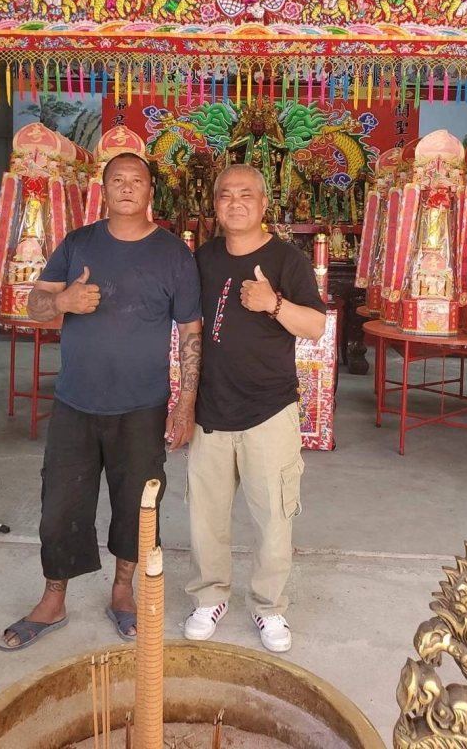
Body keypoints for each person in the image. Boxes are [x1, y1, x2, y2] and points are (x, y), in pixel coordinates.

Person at [0, 152, 202, 650]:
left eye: (137, 180)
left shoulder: (174, 254)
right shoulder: (77, 243)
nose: (127, 188)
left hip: (143, 405)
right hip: (76, 402)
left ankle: (122, 591)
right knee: (59, 504)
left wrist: (185, 403)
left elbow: (190, 331)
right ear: (104, 190)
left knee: (138, 505)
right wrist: (63, 301)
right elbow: (35, 302)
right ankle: (53, 598)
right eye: (117, 180)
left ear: (150, 191)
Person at [184, 164, 326, 653]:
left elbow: (315, 326)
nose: (236, 203)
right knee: (205, 516)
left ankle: (268, 607)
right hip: (211, 408)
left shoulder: (287, 259)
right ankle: (210, 597)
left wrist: (273, 303)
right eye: (226, 195)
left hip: (269, 409)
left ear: (264, 204)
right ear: (215, 205)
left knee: (274, 519)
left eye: (247, 194)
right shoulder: (203, 259)